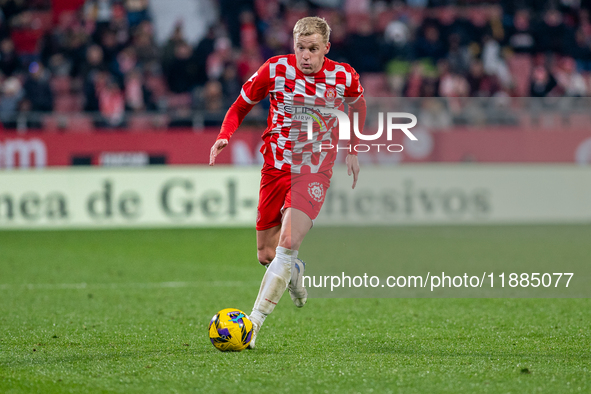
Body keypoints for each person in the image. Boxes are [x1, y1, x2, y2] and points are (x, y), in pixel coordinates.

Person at [208, 16, 366, 348]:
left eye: (312, 49)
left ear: (326, 48)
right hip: (275, 168)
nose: (305, 56)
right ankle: (294, 272)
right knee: (267, 254)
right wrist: (225, 135)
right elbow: (240, 106)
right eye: (300, 48)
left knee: (288, 241)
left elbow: (358, 105)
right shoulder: (275, 70)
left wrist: (353, 148)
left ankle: (252, 325)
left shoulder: (343, 75)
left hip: (313, 171)